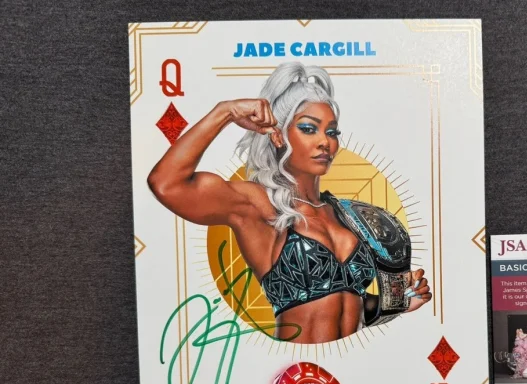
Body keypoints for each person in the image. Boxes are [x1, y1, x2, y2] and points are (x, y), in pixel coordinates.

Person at [147, 62, 432, 344]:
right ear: (278, 135)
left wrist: (399, 302)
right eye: (309, 128)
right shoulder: (259, 204)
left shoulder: (348, 215)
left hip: (350, 362)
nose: (325, 142)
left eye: (332, 132)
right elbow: (166, 184)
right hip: (293, 365)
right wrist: (226, 111)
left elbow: (350, 305)